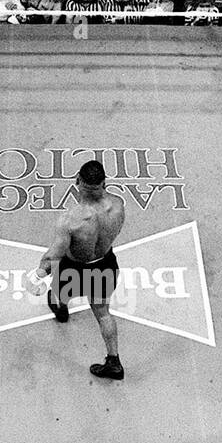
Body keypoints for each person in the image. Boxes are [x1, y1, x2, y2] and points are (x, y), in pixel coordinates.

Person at [34, 159, 126, 379]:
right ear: (105, 182)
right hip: (105, 265)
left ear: (77, 181)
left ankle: (61, 309)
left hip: (73, 269)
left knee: (58, 292)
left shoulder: (69, 220)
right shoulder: (118, 205)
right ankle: (114, 361)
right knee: (103, 313)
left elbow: (52, 257)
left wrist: (38, 273)